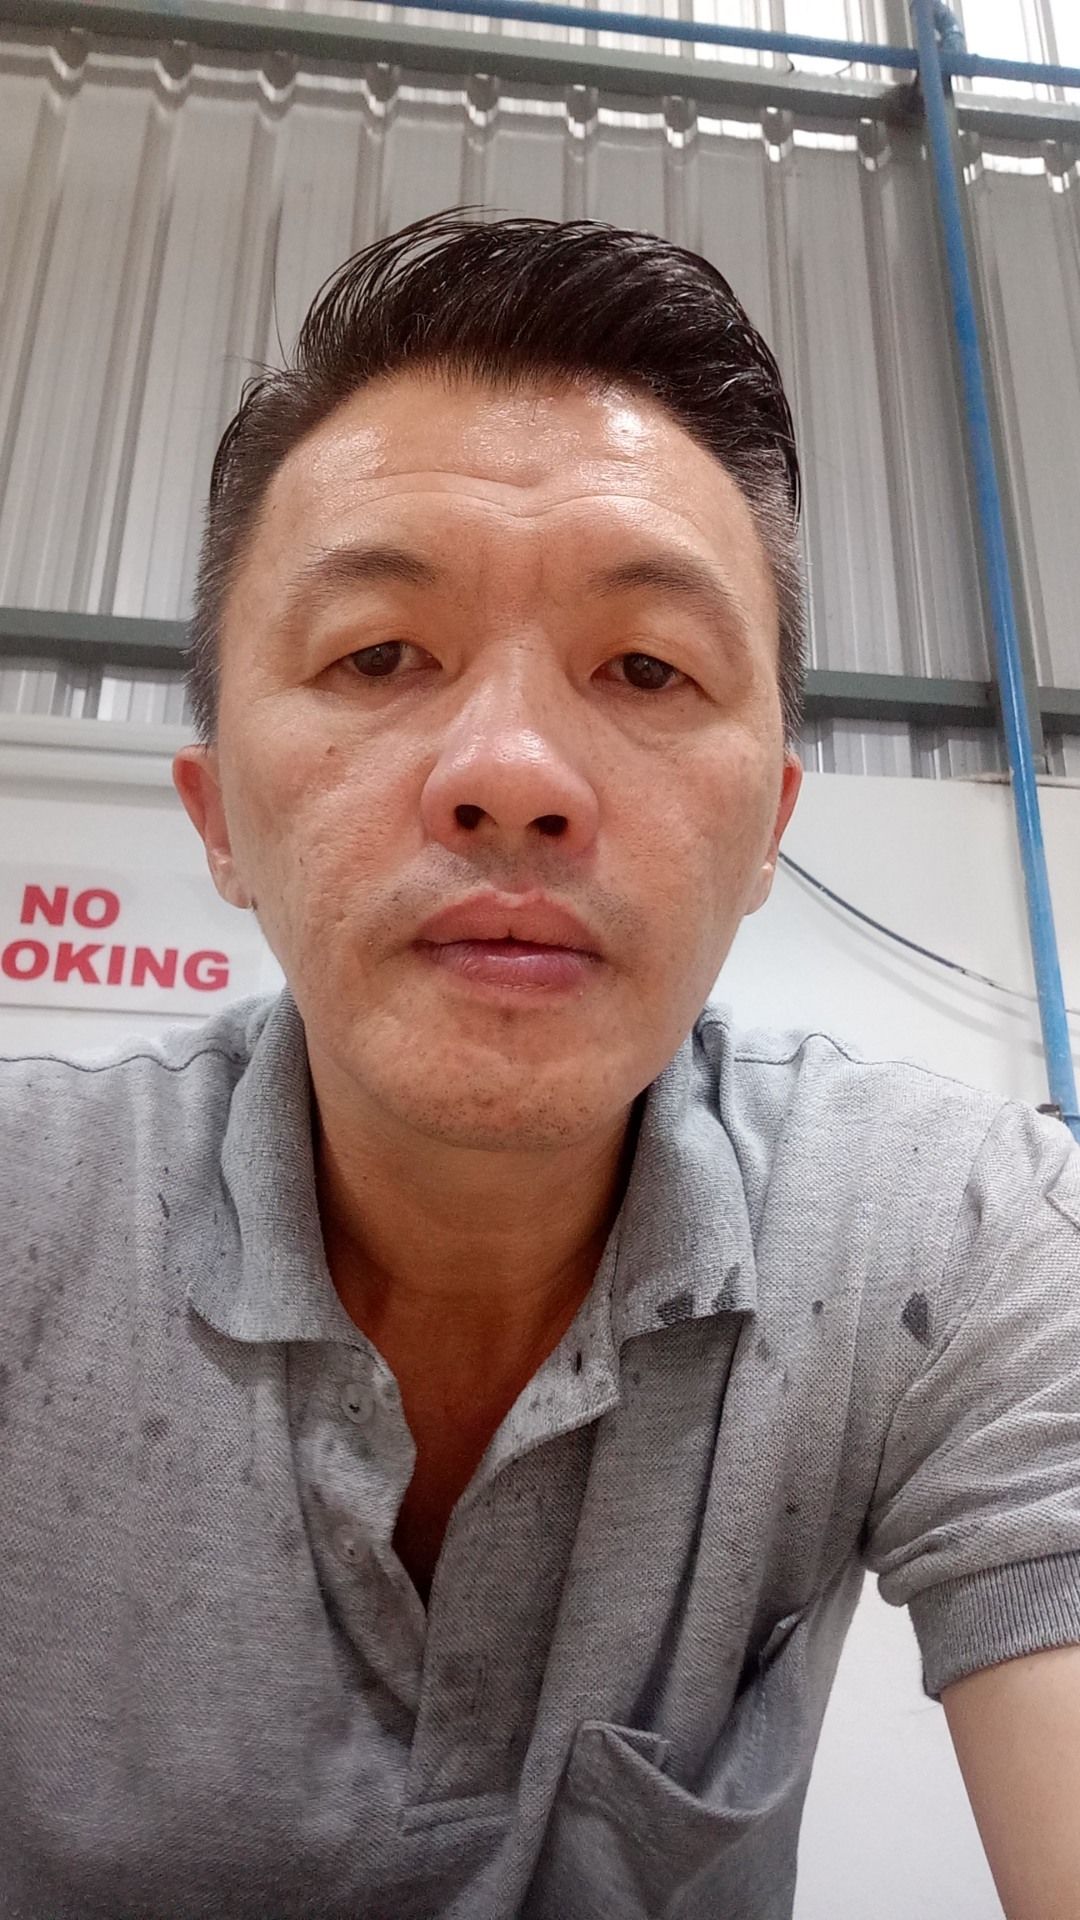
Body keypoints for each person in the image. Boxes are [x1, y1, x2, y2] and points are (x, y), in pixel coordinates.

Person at [2, 207, 1078, 1920]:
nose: (511, 772)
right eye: (379, 655)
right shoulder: (26, 1220)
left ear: (768, 830)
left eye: (646, 667)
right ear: (218, 819)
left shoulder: (953, 1235)